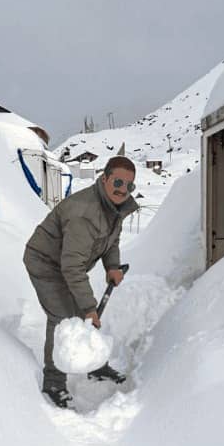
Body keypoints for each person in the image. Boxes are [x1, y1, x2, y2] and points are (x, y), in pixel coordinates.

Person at [22, 152, 140, 408]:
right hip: (45, 262)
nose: (123, 190)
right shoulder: (84, 213)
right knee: (63, 316)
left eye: (129, 185)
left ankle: (95, 365)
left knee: (82, 313)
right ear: (105, 178)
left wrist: (112, 267)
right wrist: (89, 307)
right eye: (118, 182)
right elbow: (72, 266)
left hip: (67, 263)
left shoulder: (114, 209)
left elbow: (111, 242)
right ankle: (53, 381)